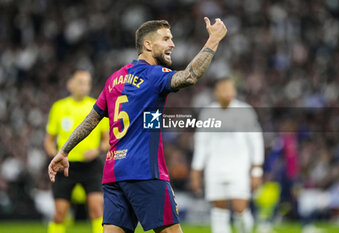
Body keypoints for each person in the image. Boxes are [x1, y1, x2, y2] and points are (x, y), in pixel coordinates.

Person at [48, 18, 227, 233]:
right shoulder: (153, 75)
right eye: (166, 39)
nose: (172, 44)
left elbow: (91, 120)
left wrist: (64, 150)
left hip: (114, 173)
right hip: (144, 170)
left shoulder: (114, 79)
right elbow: (189, 77)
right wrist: (214, 40)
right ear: (148, 45)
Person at [191, 78, 264, 233]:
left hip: (239, 168)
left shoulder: (245, 111)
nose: (228, 93)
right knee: (218, 212)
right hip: (214, 168)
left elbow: (256, 141)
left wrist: (257, 170)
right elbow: (201, 144)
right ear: (216, 93)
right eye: (223, 89)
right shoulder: (208, 113)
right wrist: (196, 171)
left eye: (230, 89)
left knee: (240, 209)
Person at [44, 70, 109, 233]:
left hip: (91, 166)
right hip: (65, 167)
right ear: (70, 85)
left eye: (87, 82)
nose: (84, 86)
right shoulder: (59, 107)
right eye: (80, 82)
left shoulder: (97, 106)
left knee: (97, 209)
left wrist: (97, 150)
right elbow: (48, 142)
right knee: (60, 213)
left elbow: (108, 141)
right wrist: (55, 157)